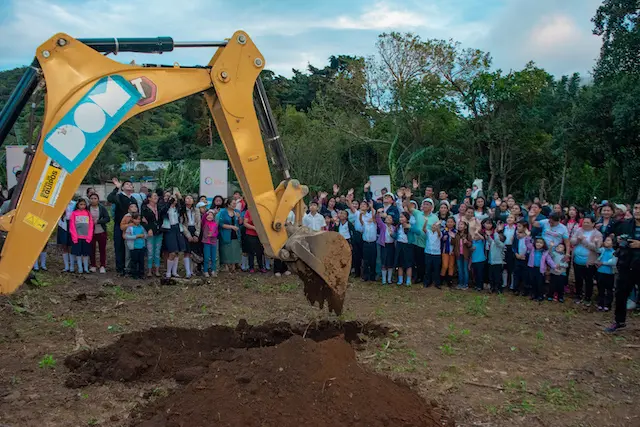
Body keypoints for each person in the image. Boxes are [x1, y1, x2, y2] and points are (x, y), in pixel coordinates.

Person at [607, 201, 640, 332]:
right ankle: (619, 321)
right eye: (636, 208)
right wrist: (619, 242)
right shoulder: (625, 225)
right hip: (626, 264)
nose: (637, 211)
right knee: (621, 293)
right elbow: (614, 240)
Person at [107, 178, 138, 275]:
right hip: (119, 226)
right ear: (123, 187)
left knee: (130, 247)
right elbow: (110, 198)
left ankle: (129, 267)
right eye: (126, 184)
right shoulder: (119, 196)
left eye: (130, 184)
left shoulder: (133, 199)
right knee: (119, 246)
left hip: (132, 226)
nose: (129, 185)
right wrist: (116, 188)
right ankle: (120, 268)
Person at [571, 216, 602, 306]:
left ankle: (588, 297)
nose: (585, 224)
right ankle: (578, 295)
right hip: (577, 259)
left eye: (588, 222)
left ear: (593, 224)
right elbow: (572, 241)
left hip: (589, 261)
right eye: (584, 222)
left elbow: (597, 248)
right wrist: (577, 239)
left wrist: (584, 241)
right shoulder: (578, 230)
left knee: (588, 280)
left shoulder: (597, 234)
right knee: (578, 279)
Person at [161, 193, 187, 278]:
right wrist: (169, 203)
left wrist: (180, 198)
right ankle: (168, 272)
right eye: (172, 199)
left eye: (175, 199)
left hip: (177, 228)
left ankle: (174, 272)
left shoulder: (178, 208)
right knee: (172, 252)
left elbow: (183, 208)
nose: (174, 200)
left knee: (177, 252)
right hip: (169, 229)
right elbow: (163, 211)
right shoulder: (165, 207)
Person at [142, 192, 165, 277]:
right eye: (154, 196)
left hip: (159, 232)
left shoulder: (159, 207)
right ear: (149, 198)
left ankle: (157, 270)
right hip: (150, 233)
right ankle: (149, 270)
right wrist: (148, 229)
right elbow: (143, 220)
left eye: (157, 196)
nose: (156, 197)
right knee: (150, 251)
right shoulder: (145, 208)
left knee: (157, 251)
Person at [69, 198, 94, 274]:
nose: (83, 206)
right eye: (81, 204)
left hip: (86, 238)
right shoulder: (74, 213)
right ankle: (80, 268)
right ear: (77, 205)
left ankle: (86, 268)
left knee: (86, 253)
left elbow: (91, 226)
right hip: (77, 237)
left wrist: (89, 237)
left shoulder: (88, 213)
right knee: (78, 253)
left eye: (84, 204)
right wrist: (74, 237)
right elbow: (72, 226)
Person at [527, 237, 555, 302]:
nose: (538, 244)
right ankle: (534, 294)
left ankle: (540, 296)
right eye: (537, 242)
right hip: (532, 268)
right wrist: (528, 237)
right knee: (533, 281)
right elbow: (528, 244)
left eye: (540, 243)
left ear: (543, 244)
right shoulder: (532, 249)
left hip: (540, 270)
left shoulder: (545, 252)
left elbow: (549, 260)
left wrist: (554, 267)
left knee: (539, 283)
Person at [218, 198, 242, 272]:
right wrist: (231, 227)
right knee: (226, 249)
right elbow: (220, 224)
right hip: (226, 232)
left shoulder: (237, 211)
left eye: (235, 203)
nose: (235, 205)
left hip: (235, 233)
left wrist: (239, 217)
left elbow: (240, 222)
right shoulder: (223, 212)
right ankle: (226, 265)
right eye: (233, 203)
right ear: (228, 204)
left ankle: (234, 265)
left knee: (235, 248)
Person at [88, 193, 110, 273]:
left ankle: (102, 265)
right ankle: (93, 265)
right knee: (91, 249)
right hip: (91, 232)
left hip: (101, 231)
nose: (93, 200)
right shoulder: (87, 208)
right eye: (91, 198)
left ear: (98, 199)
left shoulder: (102, 208)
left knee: (102, 249)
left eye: (95, 198)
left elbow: (107, 218)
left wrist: (98, 221)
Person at [181, 195, 201, 278]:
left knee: (194, 251)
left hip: (195, 229)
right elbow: (182, 223)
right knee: (187, 252)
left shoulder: (196, 210)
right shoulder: (182, 210)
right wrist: (188, 235)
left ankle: (193, 270)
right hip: (186, 230)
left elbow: (199, 222)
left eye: (191, 198)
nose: (189, 200)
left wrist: (197, 234)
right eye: (187, 198)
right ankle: (188, 272)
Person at [596, 236, 617, 312]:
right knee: (600, 288)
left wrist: (603, 263)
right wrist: (596, 243)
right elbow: (596, 249)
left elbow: (613, 262)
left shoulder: (614, 252)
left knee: (609, 290)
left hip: (609, 273)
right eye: (605, 240)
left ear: (613, 243)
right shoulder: (603, 250)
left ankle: (608, 304)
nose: (606, 242)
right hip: (600, 272)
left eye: (608, 240)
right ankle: (600, 303)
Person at [485, 219, 506, 293]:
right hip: (491, 262)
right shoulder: (494, 242)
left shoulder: (501, 245)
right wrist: (487, 235)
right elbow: (490, 240)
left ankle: (499, 288)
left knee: (498, 277)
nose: (498, 237)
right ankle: (492, 287)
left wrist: (496, 231)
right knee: (491, 276)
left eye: (500, 237)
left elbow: (496, 240)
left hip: (498, 263)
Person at [359, 201, 378, 282]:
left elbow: (374, 214)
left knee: (373, 260)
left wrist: (371, 206)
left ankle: (373, 276)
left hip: (373, 243)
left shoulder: (374, 223)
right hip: (366, 243)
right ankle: (366, 276)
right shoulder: (364, 223)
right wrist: (360, 214)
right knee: (366, 260)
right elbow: (361, 220)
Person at [244, 206, 266, 273]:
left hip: (260, 235)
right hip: (250, 234)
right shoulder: (249, 211)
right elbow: (245, 223)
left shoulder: (263, 211)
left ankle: (261, 267)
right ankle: (251, 267)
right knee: (251, 252)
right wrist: (254, 227)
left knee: (260, 251)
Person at [376, 209, 396, 285]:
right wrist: (378, 213)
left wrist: (392, 234)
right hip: (384, 246)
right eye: (387, 218)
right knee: (383, 261)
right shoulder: (383, 226)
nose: (388, 219)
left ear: (392, 221)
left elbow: (395, 236)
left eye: (390, 218)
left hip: (391, 246)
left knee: (390, 262)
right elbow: (378, 220)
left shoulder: (394, 228)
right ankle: (384, 280)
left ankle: (389, 279)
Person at [124, 213, 147, 279]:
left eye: (139, 219)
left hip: (141, 246)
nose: (138, 221)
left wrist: (144, 236)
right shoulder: (130, 228)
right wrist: (136, 236)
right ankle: (134, 274)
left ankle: (141, 273)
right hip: (134, 247)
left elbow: (145, 234)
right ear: (132, 219)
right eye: (136, 219)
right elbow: (127, 236)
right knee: (134, 261)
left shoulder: (141, 227)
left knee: (141, 261)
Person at [512, 220, 531, 295]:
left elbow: (530, 247)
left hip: (525, 258)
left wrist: (525, 255)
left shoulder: (529, 236)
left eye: (520, 226)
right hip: (518, 257)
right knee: (516, 273)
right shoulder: (516, 236)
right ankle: (515, 288)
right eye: (517, 226)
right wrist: (516, 254)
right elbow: (514, 246)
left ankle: (525, 289)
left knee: (525, 274)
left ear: (525, 227)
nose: (518, 228)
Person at [394, 212, 413, 286]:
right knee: (400, 263)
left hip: (407, 246)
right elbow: (396, 236)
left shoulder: (410, 226)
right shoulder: (398, 226)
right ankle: (400, 279)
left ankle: (408, 280)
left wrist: (410, 227)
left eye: (402, 217)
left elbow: (417, 232)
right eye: (400, 217)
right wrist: (392, 234)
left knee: (408, 264)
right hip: (399, 245)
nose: (400, 218)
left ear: (407, 218)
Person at [57, 199, 76, 272]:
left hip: (71, 225)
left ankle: (72, 266)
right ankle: (66, 266)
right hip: (62, 225)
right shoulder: (60, 203)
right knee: (64, 245)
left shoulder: (74, 204)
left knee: (71, 246)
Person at [453, 220, 472, 290]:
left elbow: (470, 245)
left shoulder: (468, 235)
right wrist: (452, 237)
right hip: (458, 255)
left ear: (465, 227)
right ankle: (460, 283)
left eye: (461, 225)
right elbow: (453, 243)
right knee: (460, 269)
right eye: (459, 225)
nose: (459, 226)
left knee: (465, 269)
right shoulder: (456, 234)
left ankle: (465, 284)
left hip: (465, 255)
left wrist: (467, 242)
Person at [201, 209, 219, 277]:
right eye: (208, 215)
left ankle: (213, 270)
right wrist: (207, 212)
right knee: (206, 257)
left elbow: (216, 232)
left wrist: (212, 235)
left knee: (213, 257)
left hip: (213, 242)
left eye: (211, 215)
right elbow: (203, 218)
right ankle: (205, 271)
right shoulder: (205, 223)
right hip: (206, 242)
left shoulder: (215, 224)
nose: (209, 216)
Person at [424, 221, 442, 289]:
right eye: (433, 225)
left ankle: (437, 283)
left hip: (436, 254)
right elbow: (424, 229)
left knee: (436, 269)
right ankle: (427, 282)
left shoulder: (439, 233)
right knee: (428, 268)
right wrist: (425, 222)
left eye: (435, 226)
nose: (434, 227)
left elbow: (439, 234)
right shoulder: (428, 232)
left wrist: (437, 227)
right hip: (428, 253)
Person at [440, 217, 457, 287]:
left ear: (454, 223)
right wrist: (443, 239)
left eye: (451, 222)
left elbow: (457, 243)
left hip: (452, 251)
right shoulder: (444, 231)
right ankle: (441, 279)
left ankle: (449, 280)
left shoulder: (456, 232)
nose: (449, 223)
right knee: (445, 265)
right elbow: (440, 240)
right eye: (448, 222)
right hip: (445, 251)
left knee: (451, 266)